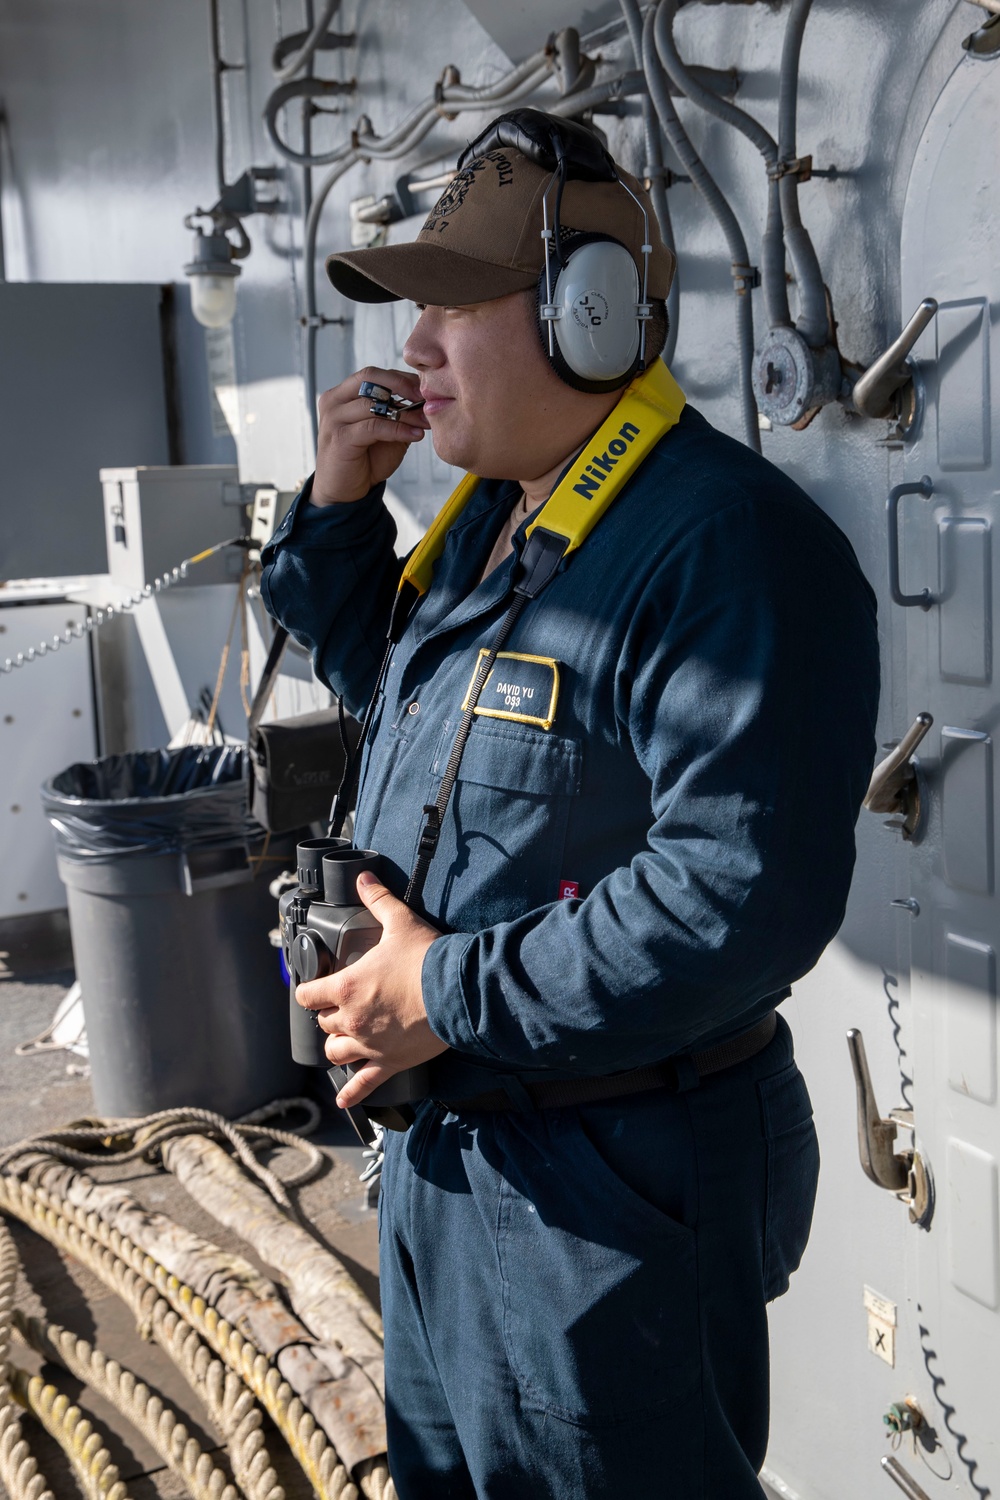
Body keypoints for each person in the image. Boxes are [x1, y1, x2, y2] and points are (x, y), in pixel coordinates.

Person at [261, 109, 879, 1499]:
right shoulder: (497, 516)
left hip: (605, 1195)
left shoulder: (730, 548)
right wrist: (336, 509)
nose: (412, 347)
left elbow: (740, 896)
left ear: (590, 317)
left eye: (451, 307)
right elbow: (397, 689)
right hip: (460, 1158)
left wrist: (447, 992)